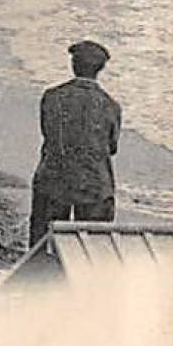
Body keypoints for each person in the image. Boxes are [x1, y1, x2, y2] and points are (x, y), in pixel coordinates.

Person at [29, 40, 121, 246]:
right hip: (95, 183)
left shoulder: (52, 96)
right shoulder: (111, 105)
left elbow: (48, 132)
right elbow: (112, 146)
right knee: (94, 250)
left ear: (73, 65)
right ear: (100, 69)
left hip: (54, 178)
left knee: (41, 246)